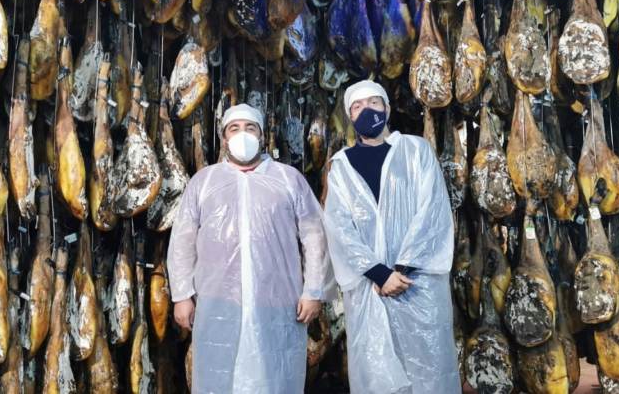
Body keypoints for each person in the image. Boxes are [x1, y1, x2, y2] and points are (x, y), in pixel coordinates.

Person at [167, 103, 333, 394]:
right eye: (235, 128)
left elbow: (314, 236)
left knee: (273, 379)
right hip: (219, 303)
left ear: (262, 135)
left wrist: (314, 290)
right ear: (224, 138)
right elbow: (182, 240)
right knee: (220, 379)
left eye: (250, 128)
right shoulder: (204, 182)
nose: (242, 133)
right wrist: (182, 294)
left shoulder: (288, 178)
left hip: (278, 305)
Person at [323, 80, 460, 394]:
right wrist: (380, 273)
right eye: (357, 106)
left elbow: (433, 212)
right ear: (349, 116)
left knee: (429, 372)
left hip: (417, 286)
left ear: (385, 108)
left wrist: (403, 269)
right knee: (377, 374)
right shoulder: (341, 167)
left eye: (373, 103)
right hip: (371, 289)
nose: (366, 110)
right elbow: (339, 229)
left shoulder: (416, 150)